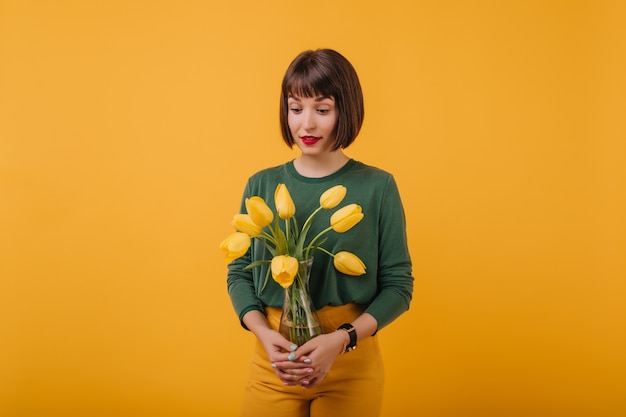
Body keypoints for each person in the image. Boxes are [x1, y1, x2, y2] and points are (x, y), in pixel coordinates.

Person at [226, 48, 413, 417]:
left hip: (349, 362)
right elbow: (239, 272)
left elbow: (398, 285)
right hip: (274, 363)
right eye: (296, 109)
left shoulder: (378, 187)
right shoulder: (262, 184)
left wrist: (344, 339)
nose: (306, 125)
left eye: (322, 110)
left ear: (346, 110)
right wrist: (265, 335)